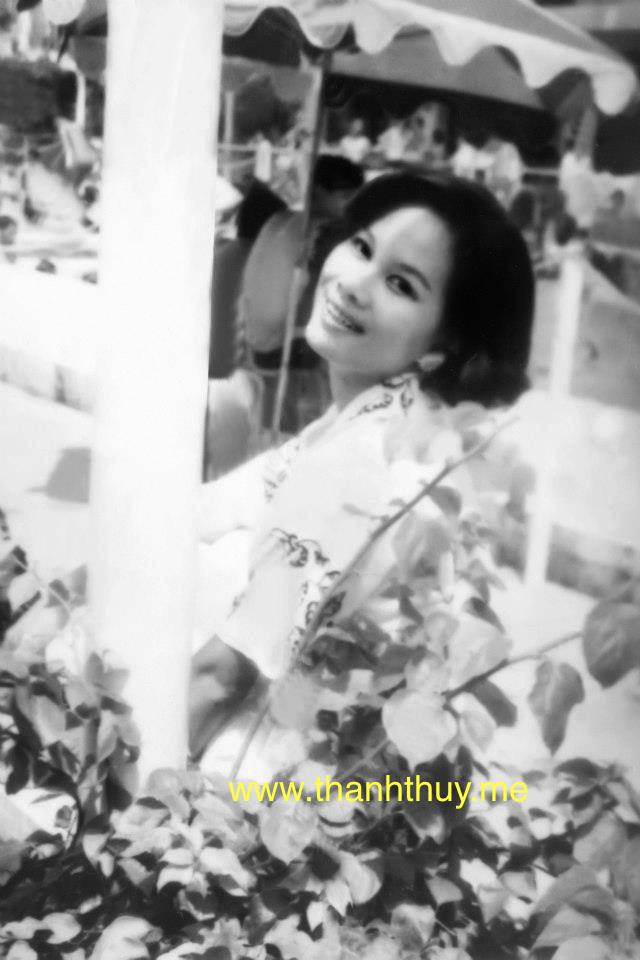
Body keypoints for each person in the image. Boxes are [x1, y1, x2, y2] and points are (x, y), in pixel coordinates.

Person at [190, 172, 534, 771]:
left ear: (448, 339)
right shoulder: (381, 421)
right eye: (362, 248)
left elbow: (217, 679)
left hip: (259, 790)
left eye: (401, 284)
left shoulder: (360, 462)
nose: (354, 284)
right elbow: (209, 508)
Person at [238, 154, 364, 430]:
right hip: (282, 349)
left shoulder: (279, 218)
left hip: (252, 343)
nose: (353, 206)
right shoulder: (327, 231)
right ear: (319, 191)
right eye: (346, 197)